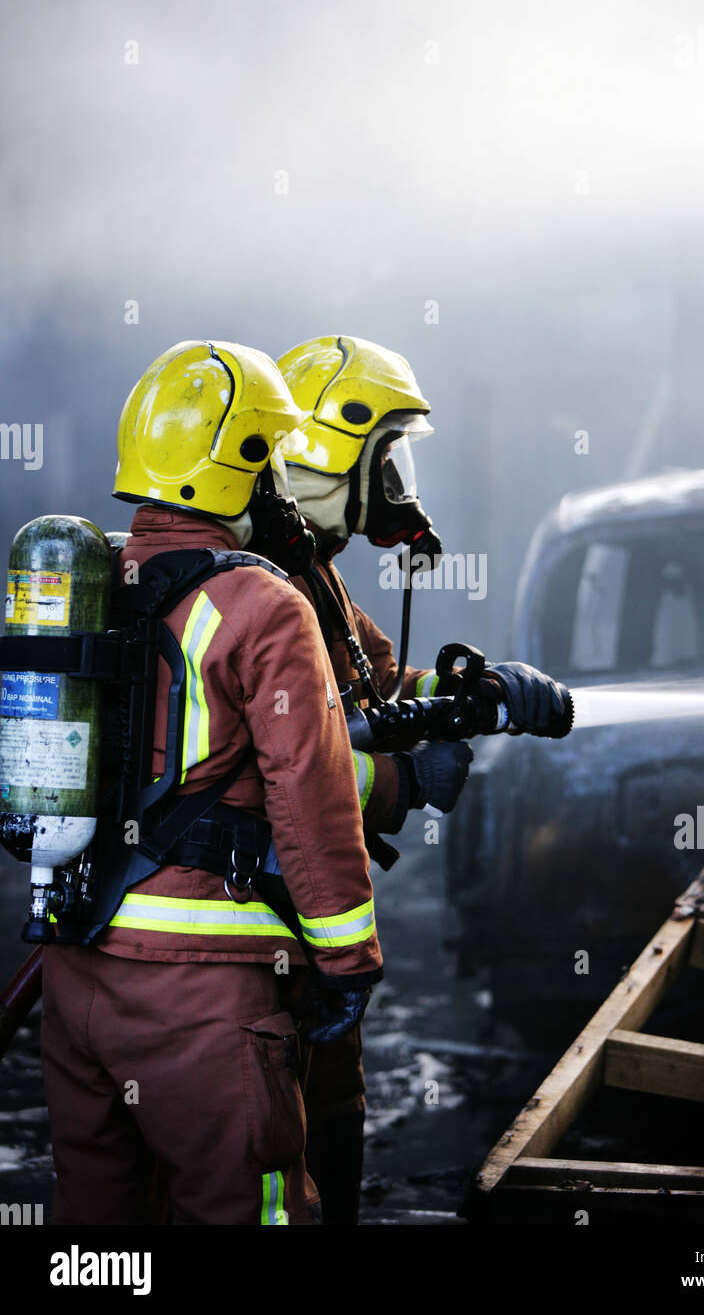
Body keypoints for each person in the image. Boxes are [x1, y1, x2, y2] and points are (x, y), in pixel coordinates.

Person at [40, 339, 383, 1226]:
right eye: (273, 459)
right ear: (246, 468)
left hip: (75, 979)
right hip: (201, 999)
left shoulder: (88, 585)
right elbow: (313, 801)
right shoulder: (266, 606)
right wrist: (348, 966)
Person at [270, 333, 568, 1223]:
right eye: (385, 453)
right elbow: (280, 769)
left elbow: (373, 695)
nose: (396, 479)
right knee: (267, 1163)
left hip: (299, 934)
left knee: (327, 1131)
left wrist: (475, 694)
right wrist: (398, 782)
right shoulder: (257, 590)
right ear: (333, 451)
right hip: (256, 934)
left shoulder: (313, 575)